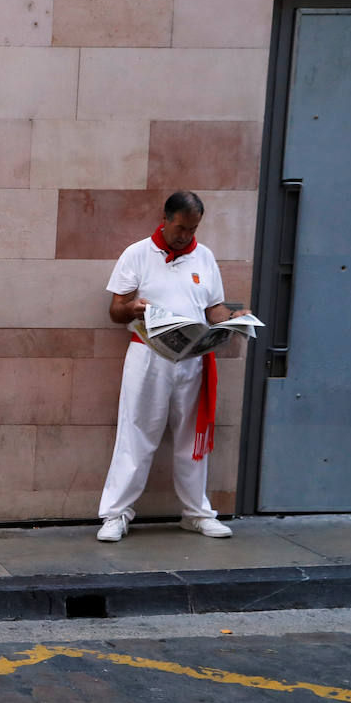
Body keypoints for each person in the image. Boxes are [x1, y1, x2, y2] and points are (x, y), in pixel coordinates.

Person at [97, 190, 238, 542]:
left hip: (192, 360)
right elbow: (115, 310)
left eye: (192, 229)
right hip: (148, 356)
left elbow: (213, 310)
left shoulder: (203, 257)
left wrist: (235, 317)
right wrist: (132, 309)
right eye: (181, 228)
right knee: (136, 434)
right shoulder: (137, 254)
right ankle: (116, 515)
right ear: (165, 218)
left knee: (192, 439)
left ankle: (196, 513)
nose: (186, 236)